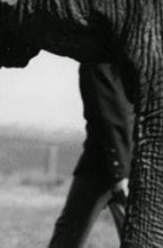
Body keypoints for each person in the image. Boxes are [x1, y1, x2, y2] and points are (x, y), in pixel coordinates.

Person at [48, 62, 134, 247]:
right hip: (111, 167)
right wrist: (121, 172)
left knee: (68, 235)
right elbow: (110, 117)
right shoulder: (101, 64)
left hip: (103, 165)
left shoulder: (103, 63)